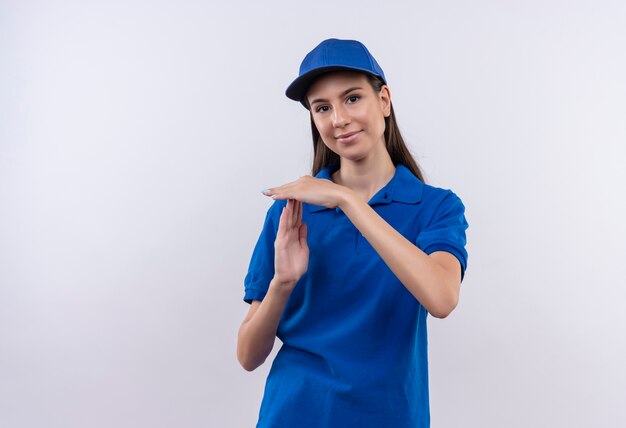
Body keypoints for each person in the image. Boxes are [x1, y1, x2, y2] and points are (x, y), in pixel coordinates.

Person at [237, 38, 469, 428]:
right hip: (293, 414)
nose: (338, 119)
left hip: (390, 416)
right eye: (322, 108)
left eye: (352, 98)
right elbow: (248, 356)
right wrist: (282, 283)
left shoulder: (436, 207)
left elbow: (442, 298)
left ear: (384, 100)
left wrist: (348, 201)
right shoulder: (291, 210)